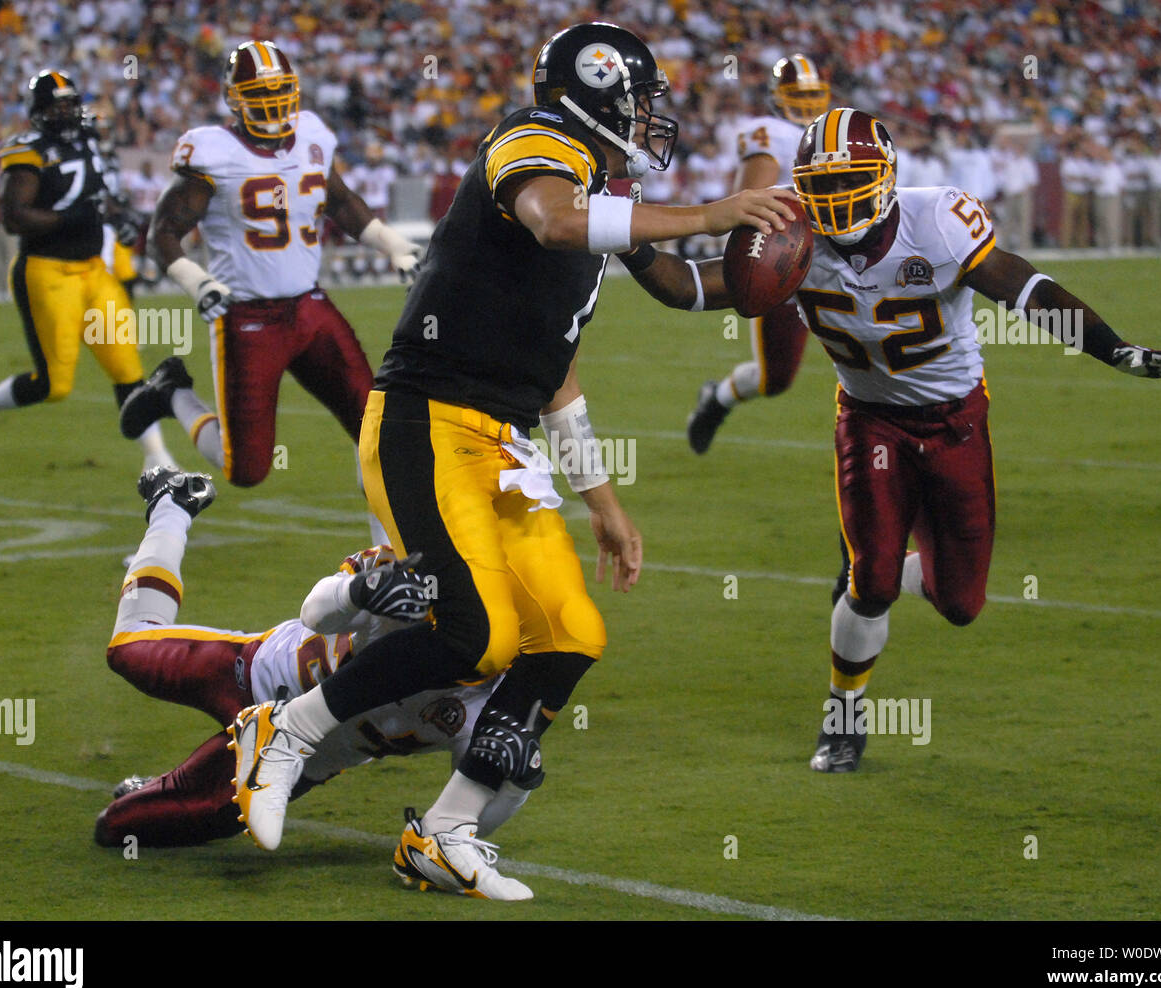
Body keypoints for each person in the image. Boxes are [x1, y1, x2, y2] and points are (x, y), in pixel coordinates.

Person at [225, 21, 797, 900]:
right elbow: (557, 220)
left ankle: (444, 831)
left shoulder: (599, 188)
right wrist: (718, 210)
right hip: (426, 415)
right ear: (593, 95)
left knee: (572, 632)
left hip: (502, 438)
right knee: (475, 632)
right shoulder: (537, 145)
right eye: (639, 103)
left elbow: (673, 294)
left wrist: (808, 253)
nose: (652, 122)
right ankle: (287, 730)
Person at [784, 108, 1161, 773]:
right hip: (870, 419)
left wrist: (1114, 349)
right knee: (872, 581)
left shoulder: (937, 220)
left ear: (887, 175)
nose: (835, 200)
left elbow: (1025, 289)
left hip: (955, 421)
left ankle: (891, 565)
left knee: (961, 603)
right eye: (822, 187)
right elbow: (698, 289)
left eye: (851, 181)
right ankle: (844, 709)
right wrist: (626, 238)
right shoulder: (788, 236)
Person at [98, 467, 528, 865]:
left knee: (118, 826)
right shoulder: (423, 582)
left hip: (293, 763)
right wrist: (360, 591)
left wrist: (516, 784)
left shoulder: (497, 695)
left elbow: (465, 816)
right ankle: (172, 505)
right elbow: (315, 611)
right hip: (254, 673)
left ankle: (151, 788)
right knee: (128, 651)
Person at [118, 40, 420, 489]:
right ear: (234, 100)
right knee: (246, 469)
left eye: (280, 91)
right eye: (260, 95)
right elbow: (163, 232)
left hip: (310, 306)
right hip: (246, 316)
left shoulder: (313, 137)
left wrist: (393, 244)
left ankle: (391, 553)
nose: (274, 104)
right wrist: (197, 282)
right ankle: (173, 393)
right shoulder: (213, 152)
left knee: (375, 428)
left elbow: (339, 200)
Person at [0, 69, 172, 471]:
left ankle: (158, 460)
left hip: (93, 271)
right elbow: (15, 218)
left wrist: (118, 218)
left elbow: (100, 198)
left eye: (72, 103)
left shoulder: (88, 141)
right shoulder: (27, 151)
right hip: (47, 272)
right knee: (54, 385)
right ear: (40, 111)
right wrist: (75, 219)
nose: (68, 112)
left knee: (127, 367)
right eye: (59, 105)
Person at [686, 54, 827, 454]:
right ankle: (718, 398)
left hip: (838, 257)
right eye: (797, 95)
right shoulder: (769, 132)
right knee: (775, 378)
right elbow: (749, 200)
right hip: (786, 258)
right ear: (774, 96)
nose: (806, 103)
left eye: (813, 95)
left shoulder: (829, 131)